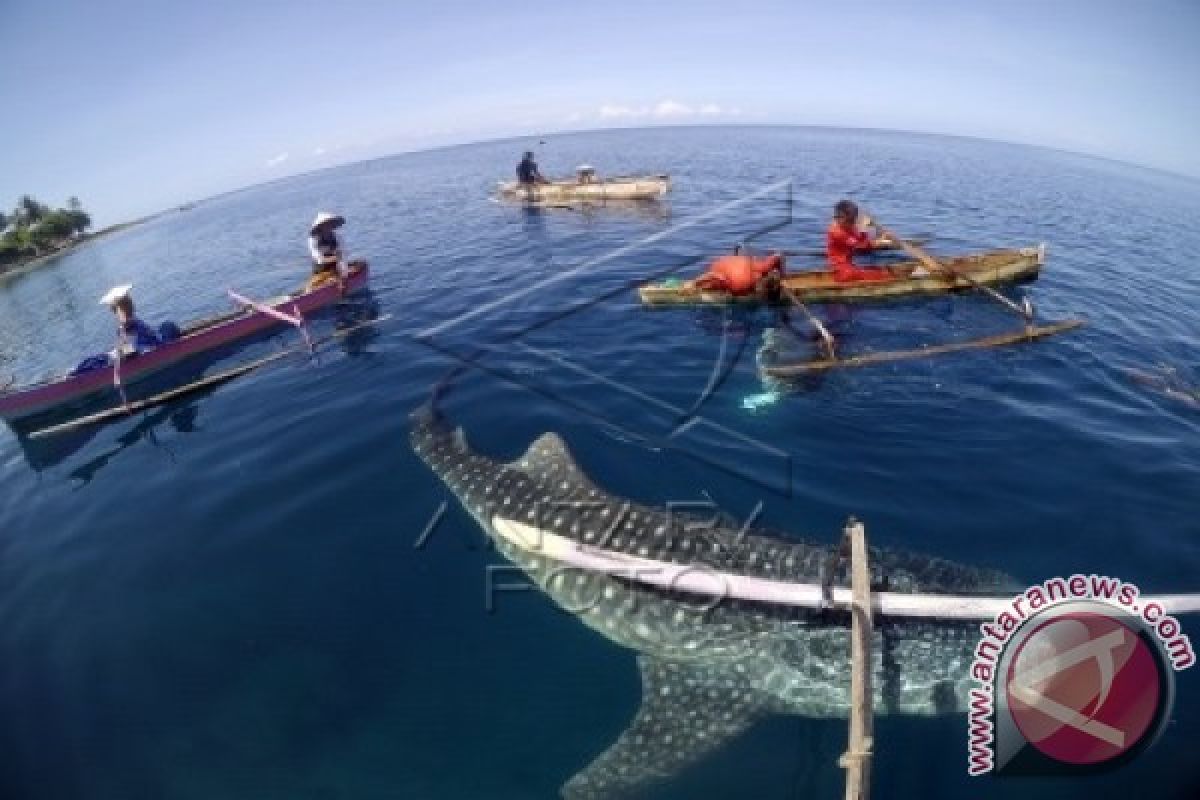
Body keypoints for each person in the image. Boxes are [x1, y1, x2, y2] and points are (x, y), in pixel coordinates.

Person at [826, 200, 893, 283]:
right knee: (884, 275)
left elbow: (859, 237)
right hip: (843, 272)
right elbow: (861, 246)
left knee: (877, 271)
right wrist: (880, 241)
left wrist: (879, 236)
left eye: (853, 221)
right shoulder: (837, 232)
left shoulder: (845, 225)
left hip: (847, 267)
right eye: (851, 221)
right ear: (839, 218)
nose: (853, 224)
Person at [693, 247, 786, 299]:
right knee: (712, 286)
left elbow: (778, 256)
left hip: (734, 264)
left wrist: (782, 275)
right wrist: (695, 282)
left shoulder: (763, 268)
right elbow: (714, 275)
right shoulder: (741, 283)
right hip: (720, 269)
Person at [307, 211, 346, 291]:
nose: (328, 226)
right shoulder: (313, 240)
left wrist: (343, 276)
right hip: (320, 270)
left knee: (338, 278)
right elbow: (319, 259)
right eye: (325, 224)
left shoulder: (337, 237)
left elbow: (342, 258)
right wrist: (335, 258)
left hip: (335, 270)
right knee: (310, 288)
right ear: (320, 226)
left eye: (330, 223)